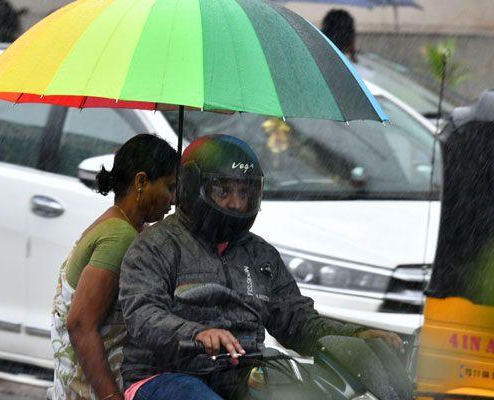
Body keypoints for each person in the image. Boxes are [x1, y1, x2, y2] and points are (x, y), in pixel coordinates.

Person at [118, 134, 402, 400]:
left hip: (240, 370)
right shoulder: (155, 246)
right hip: (164, 374)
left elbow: (297, 319)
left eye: (245, 192)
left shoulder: (261, 255)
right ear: (195, 186)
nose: (237, 203)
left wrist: (352, 335)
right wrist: (196, 333)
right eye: (223, 190)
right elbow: (143, 315)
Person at [50, 134, 179, 400]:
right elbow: (81, 324)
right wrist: (110, 396)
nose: (173, 199)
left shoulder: (121, 226)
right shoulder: (120, 237)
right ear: (141, 182)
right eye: (169, 187)